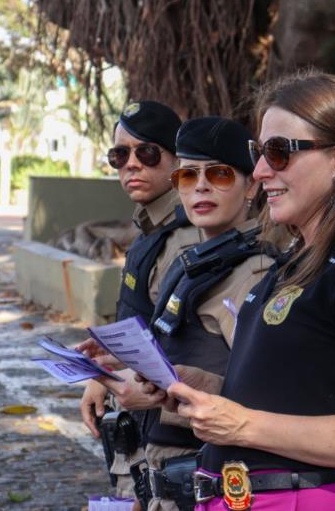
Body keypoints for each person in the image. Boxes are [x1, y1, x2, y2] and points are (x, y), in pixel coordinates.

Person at [164, 72, 335, 510]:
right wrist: (203, 388)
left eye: (279, 152)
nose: (262, 170)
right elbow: (302, 390)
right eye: (259, 152)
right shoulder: (299, 256)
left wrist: (242, 425)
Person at [95, 117, 275, 511]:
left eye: (220, 174)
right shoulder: (196, 260)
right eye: (188, 176)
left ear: (253, 185)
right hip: (164, 473)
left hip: (213, 479)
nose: (202, 186)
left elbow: (269, 397)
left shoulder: (256, 273)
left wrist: (169, 392)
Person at [79, 101, 202, 498]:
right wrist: (102, 376)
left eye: (146, 153)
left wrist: (124, 382)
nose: (131, 164)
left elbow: (189, 345)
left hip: (175, 438)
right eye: (120, 155)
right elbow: (142, 325)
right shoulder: (150, 226)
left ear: (176, 160)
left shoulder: (189, 235)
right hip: (141, 433)